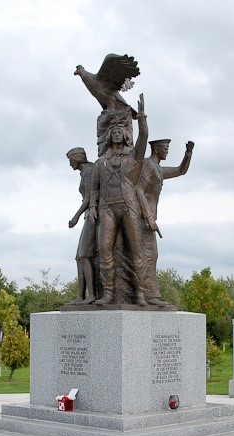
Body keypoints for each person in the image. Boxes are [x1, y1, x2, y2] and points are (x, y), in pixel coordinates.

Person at [89, 94, 148, 305]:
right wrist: (93, 206)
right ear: (108, 136)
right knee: (104, 249)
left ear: (125, 135)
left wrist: (141, 118)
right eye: (112, 132)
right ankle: (108, 293)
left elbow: (143, 141)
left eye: (119, 131)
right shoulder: (100, 162)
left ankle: (140, 293)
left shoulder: (133, 158)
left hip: (128, 206)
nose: (115, 134)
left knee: (136, 249)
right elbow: (94, 188)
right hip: (107, 208)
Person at [136, 139, 194, 306]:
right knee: (147, 255)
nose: (167, 151)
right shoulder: (148, 164)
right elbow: (138, 189)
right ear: (156, 149)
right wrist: (147, 216)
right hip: (142, 219)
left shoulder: (158, 169)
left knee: (151, 256)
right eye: (165, 148)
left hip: (149, 219)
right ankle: (148, 295)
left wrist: (188, 154)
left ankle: (150, 294)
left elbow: (180, 171)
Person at [67, 147, 96, 304]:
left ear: (77, 158)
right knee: (79, 257)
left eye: (70, 159)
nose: (69, 163)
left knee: (84, 254)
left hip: (92, 216)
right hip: (87, 216)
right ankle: (81, 296)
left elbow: (90, 198)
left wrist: (75, 217)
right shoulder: (84, 172)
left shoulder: (89, 171)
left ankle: (91, 295)